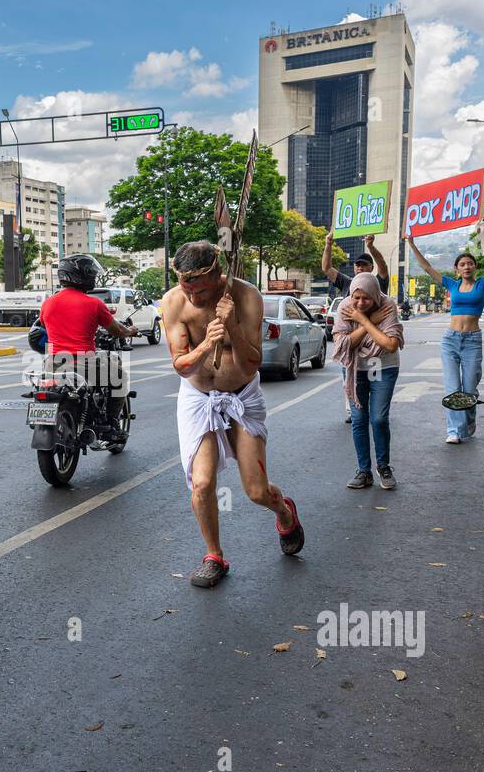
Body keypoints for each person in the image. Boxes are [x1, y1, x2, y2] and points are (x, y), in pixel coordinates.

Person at [162, 241, 304, 588]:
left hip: (242, 393)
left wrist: (233, 330)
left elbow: (251, 363)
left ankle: (284, 512)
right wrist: (207, 344)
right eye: (187, 288)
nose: (194, 297)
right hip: (197, 396)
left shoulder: (247, 297)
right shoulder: (172, 302)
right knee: (203, 482)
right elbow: (181, 366)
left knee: (256, 491)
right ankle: (214, 555)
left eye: (201, 289)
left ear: (217, 273)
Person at [37, 254, 138, 432]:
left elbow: (44, 325)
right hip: (84, 363)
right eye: (90, 273)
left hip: (52, 364)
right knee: (120, 377)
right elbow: (117, 330)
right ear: (81, 275)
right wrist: (130, 331)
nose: (93, 277)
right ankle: (112, 421)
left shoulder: (48, 303)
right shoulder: (94, 304)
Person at [405, 237, 484, 444]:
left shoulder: (482, 284)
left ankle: (468, 425)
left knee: (469, 389)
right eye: (462, 264)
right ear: (457, 269)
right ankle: (454, 429)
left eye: (470, 263)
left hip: (472, 341)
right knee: (453, 388)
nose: (467, 266)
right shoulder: (452, 284)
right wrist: (411, 244)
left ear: (474, 267)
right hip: (450, 340)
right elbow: (427, 267)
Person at [332, 272, 405, 490]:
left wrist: (362, 320)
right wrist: (369, 323)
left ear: (375, 295)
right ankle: (364, 471)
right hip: (356, 369)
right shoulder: (345, 307)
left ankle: (383, 466)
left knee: (379, 418)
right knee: (359, 419)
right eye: (357, 298)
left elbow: (390, 344)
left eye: (366, 298)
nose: (361, 303)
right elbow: (342, 344)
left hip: (384, 366)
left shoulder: (387, 305)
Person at [323, 232, 390, 423]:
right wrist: (328, 244)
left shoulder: (377, 283)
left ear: (371, 268)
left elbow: (383, 266)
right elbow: (327, 268)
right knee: (348, 379)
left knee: (375, 383)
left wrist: (370, 247)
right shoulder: (346, 283)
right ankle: (353, 412)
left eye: (364, 265)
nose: (360, 268)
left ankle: (372, 411)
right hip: (351, 343)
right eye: (357, 265)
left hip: (375, 346)